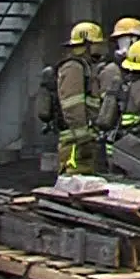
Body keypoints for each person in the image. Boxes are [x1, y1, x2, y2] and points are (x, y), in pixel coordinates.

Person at [54, 21, 109, 174]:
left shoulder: (84, 67)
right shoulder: (73, 67)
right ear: (87, 44)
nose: (100, 48)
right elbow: (72, 105)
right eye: (97, 44)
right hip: (75, 142)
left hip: (82, 140)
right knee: (74, 178)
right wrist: (82, 138)